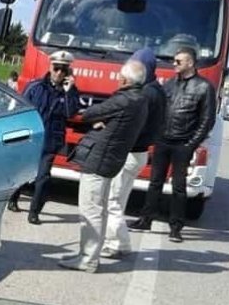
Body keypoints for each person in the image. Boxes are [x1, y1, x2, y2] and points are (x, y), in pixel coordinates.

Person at [59, 61, 148, 273]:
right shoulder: (141, 99)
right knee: (100, 209)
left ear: (125, 80)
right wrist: (106, 122)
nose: (118, 79)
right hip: (112, 159)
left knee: (90, 210)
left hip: (99, 159)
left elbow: (90, 114)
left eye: (119, 77)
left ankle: (88, 259)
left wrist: (99, 119)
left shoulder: (124, 98)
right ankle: (90, 255)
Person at [127, 47, 217, 241]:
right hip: (162, 141)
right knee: (155, 183)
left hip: (183, 144)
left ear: (190, 63)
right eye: (174, 61)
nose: (173, 64)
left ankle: (176, 227)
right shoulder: (168, 84)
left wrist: (190, 145)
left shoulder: (204, 87)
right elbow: (159, 110)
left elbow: (207, 121)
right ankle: (145, 219)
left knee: (178, 187)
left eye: (178, 61)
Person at [100, 49, 166, 259]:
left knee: (112, 201)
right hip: (139, 153)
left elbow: (133, 124)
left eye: (137, 66)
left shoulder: (145, 94)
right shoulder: (157, 90)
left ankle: (116, 244)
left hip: (129, 153)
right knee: (119, 200)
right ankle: (121, 244)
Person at [7, 50, 80, 225]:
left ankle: (34, 211)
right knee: (22, 172)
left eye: (63, 70)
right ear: (50, 67)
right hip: (31, 138)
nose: (59, 73)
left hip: (50, 140)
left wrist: (69, 92)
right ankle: (13, 198)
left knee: (43, 177)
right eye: (56, 68)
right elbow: (20, 109)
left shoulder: (69, 92)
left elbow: (71, 113)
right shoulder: (35, 86)